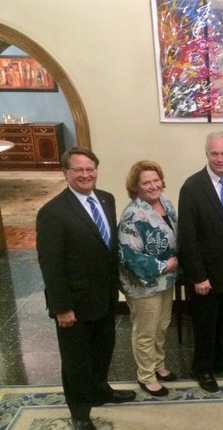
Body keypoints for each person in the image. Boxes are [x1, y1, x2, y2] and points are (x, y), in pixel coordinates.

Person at [36, 147, 135, 430]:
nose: (85, 174)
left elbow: (107, 248)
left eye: (90, 169)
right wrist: (62, 308)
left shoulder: (106, 199)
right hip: (74, 304)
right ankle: (80, 413)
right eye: (78, 169)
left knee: (103, 350)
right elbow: (51, 265)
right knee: (76, 361)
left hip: (104, 296)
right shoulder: (52, 212)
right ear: (65, 173)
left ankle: (100, 390)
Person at [178, 131, 223, 393]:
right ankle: (202, 368)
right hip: (205, 275)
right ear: (206, 153)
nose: (219, 158)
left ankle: (220, 361)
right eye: (214, 153)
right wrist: (198, 276)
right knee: (205, 325)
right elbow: (187, 236)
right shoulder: (192, 187)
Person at [118, 161, 178, 397]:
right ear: (136, 186)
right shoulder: (132, 215)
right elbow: (130, 257)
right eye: (146, 182)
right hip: (143, 284)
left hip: (166, 281)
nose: (153, 186)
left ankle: (158, 365)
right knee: (146, 331)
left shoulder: (166, 203)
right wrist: (165, 265)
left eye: (156, 180)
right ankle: (146, 375)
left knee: (161, 326)